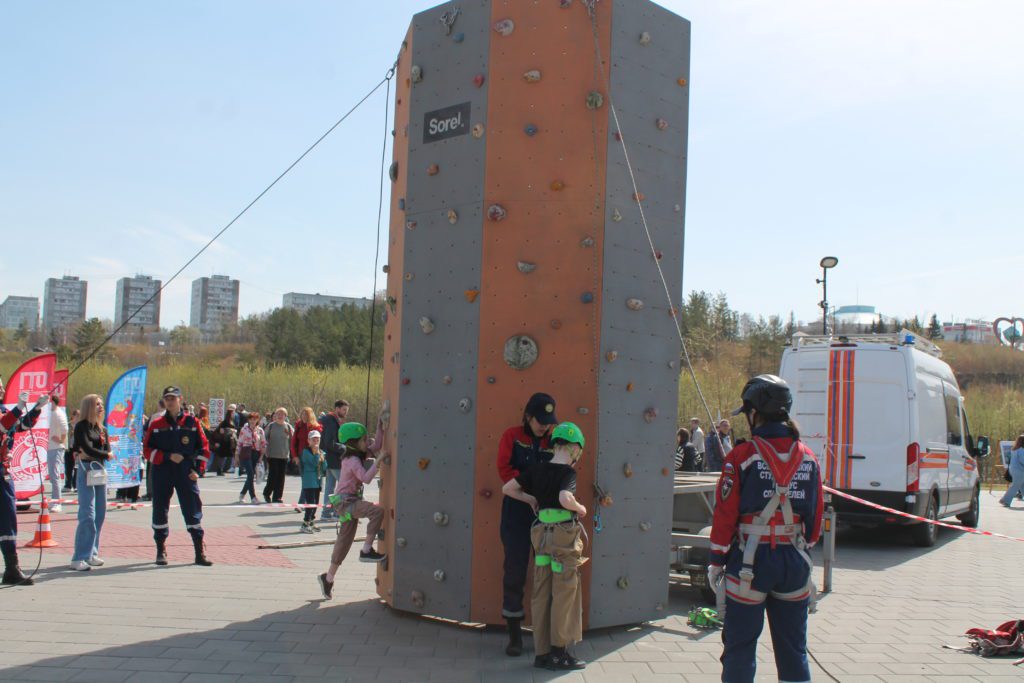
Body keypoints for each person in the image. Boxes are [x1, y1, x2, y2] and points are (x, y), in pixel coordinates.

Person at [709, 375, 823, 683]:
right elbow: (815, 522)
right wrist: (800, 548)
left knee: (740, 649)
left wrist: (717, 559)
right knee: (793, 651)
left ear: (754, 413)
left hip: (750, 563)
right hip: (794, 562)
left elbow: (725, 515)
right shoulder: (808, 458)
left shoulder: (742, 456)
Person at [502, 422, 588, 671]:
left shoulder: (537, 470)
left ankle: (541, 653)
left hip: (540, 536)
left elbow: (508, 488)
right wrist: (580, 508)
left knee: (541, 592)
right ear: (574, 449)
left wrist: (530, 499)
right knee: (564, 591)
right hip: (563, 537)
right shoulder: (568, 474)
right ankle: (559, 652)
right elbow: (565, 498)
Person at [496, 392, 558, 656]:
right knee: (515, 571)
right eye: (540, 420)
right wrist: (529, 489)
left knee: (547, 574)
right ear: (528, 416)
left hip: (545, 513)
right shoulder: (512, 437)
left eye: (548, 420)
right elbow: (504, 470)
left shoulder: (553, 440)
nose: (544, 425)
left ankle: (548, 633)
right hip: (516, 513)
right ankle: (514, 635)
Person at [316, 420, 387, 600]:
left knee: (345, 540)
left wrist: (379, 427)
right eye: (364, 440)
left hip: (347, 501)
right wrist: (377, 461)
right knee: (376, 512)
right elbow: (365, 478)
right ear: (353, 442)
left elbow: (377, 444)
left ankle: (328, 578)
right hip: (346, 503)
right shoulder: (352, 460)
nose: (367, 442)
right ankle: (366, 550)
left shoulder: (358, 454)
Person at [144, 386, 213, 567]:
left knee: (192, 509)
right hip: (162, 471)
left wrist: (197, 470)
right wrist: (166, 456)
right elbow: (146, 449)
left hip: (185, 471)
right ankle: (161, 550)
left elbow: (204, 448)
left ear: (180, 399)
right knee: (160, 508)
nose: (170, 401)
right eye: (167, 398)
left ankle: (199, 552)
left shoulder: (192, 422)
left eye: (173, 398)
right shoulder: (156, 423)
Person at [0, 387, 48, 585]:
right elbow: (2, 426)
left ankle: (12, 568)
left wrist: (36, 408)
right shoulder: (6, 414)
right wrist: (19, 407)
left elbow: (20, 426)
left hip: (3, 472)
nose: (2, 389)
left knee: (8, 519)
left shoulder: (4, 410)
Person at [70, 394, 113, 571]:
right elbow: (86, 448)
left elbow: (106, 447)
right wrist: (104, 454)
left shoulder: (102, 429)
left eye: (101, 404)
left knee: (100, 512)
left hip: (99, 470)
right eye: (97, 404)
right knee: (88, 513)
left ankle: (92, 552)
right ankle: (79, 557)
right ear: (89, 406)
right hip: (86, 468)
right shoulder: (81, 426)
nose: (100, 407)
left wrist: (102, 454)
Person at [318, 400, 349, 523]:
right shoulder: (331, 421)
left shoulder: (327, 419)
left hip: (329, 459)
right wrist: (345, 448)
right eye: (344, 410)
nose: (345, 413)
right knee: (342, 487)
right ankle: (337, 513)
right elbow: (329, 443)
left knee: (330, 487)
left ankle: (326, 513)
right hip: (334, 459)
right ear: (337, 409)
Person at [292, 407, 321, 512]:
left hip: (312, 456)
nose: (304, 416)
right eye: (302, 414)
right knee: (305, 480)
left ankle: (302, 504)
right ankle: (303, 503)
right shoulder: (299, 425)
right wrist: (295, 456)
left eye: (306, 415)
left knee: (308, 481)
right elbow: (294, 442)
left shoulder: (316, 427)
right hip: (301, 456)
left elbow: (318, 442)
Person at [262, 408, 293, 504]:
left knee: (281, 477)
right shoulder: (271, 426)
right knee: (273, 475)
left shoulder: (288, 427)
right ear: (275, 415)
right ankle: (267, 493)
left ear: (285, 416)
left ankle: (277, 497)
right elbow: (264, 438)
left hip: (284, 455)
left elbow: (292, 440)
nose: (280, 416)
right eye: (278, 414)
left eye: (282, 414)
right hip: (272, 455)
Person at [236, 410, 265, 504]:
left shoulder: (260, 430)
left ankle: (242, 493)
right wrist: (236, 456)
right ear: (248, 420)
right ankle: (253, 497)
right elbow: (239, 443)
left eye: (255, 419)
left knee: (250, 476)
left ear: (257, 420)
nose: (252, 421)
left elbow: (263, 444)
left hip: (255, 453)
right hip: (246, 452)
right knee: (251, 474)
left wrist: (261, 456)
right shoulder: (244, 430)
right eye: (251, 419)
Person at [299, 430, 326, 532]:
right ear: (308, 440)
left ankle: (311, 521)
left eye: (317, 439)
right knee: (311, 502)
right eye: (313, 439)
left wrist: (323, 459)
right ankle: (305, 523)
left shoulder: (321, 452)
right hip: (309, 481)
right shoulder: (306, 452)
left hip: (317, 481)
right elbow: (313, 463)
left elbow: (324, 467)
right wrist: (317, 455)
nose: (316, 441)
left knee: (316, 503)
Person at [46, 395, 69, 512]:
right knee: (52, 475)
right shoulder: (51, 413)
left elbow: (65, 429)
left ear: (52, 402)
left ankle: (57, 502)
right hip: (50, 447)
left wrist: (60, 440)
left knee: (55, 475)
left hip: (56, 448)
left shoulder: (58, 413)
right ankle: (54, 500)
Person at [999, 435, 1024, 507]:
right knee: (1015, 486)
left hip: (1013, 470)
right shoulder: (1022, 450)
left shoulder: (1014, 450)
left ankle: (1004, 500)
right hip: (1020, 471)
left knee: (1022, 486)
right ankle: (1005, 500)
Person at [212, 409, 237, 476]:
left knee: (224, 456)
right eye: (233, 413)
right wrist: (230, 430)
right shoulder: (225, 422)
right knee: (222, 456)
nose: (234, 414)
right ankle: (219, 470)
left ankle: (222, 469)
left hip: (229, 441)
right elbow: (221, 431)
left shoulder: (232, 421)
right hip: (223, 441)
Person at [64, 408, 80, 493]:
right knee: (68, 468)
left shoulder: (80, 426)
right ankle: (68, 485)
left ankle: (76, 485)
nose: (78, 417)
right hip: (68, 448)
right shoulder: (67, 425)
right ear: (72, 416)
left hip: (76, 449)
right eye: (76, 415)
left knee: (76, 468)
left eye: (79, 416)